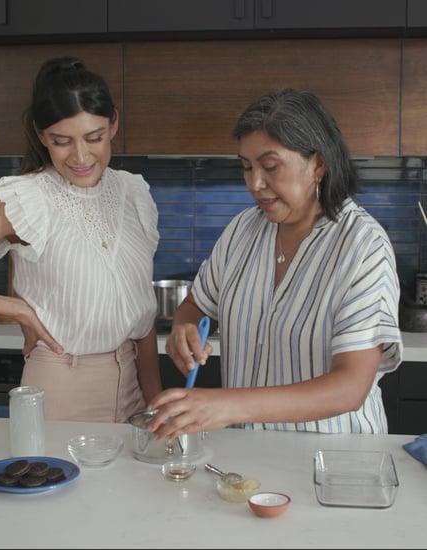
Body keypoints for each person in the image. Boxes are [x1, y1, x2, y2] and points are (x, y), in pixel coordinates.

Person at [0, 56, 163, 422]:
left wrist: (156, 404)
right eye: (61, 141)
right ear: (41, 135)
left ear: (113, 123)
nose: (81, 156)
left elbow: (142, 319)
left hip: (132, 386)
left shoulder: (133, 192)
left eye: (94, 137)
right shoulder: (24, 200)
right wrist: (16, 309)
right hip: (61, 391)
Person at [146, 88, 403, 437]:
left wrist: (225, 405)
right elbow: (196, 305)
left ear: (318, 164)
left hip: (337, 463)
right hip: (250, 458)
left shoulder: (362, 245)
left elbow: (350, 387)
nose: (255, 184)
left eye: (270, 167)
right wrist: (183, 329)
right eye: (246, 167)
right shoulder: (242, 230)